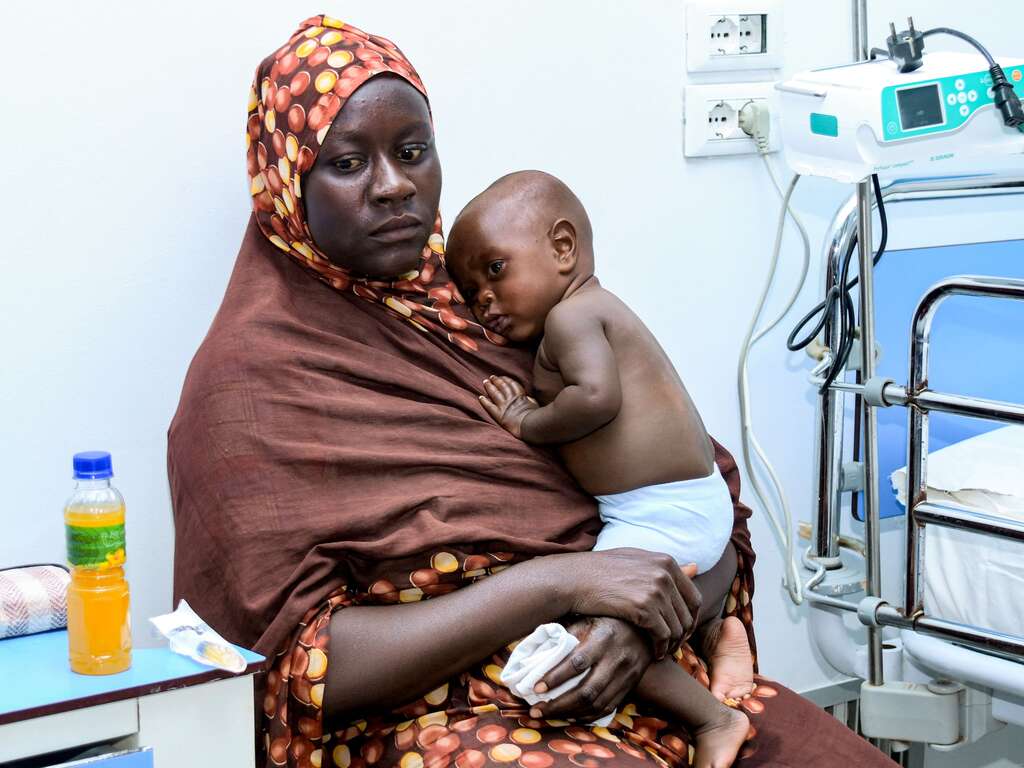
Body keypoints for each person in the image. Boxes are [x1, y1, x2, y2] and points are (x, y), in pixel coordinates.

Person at [168, 14, 897, 768]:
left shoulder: (501, 306)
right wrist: (559, 585)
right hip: (437, 721)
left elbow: (701, 503)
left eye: (412, 152)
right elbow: (290, 663)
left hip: (649, 684)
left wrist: (635, 628)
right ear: (288, 183)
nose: (394, 187)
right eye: (348, 164)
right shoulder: (250, 385)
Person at [444, 171, 752, 767]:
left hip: (658, 508)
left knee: (594, 639)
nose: (483, 298)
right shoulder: (594, 311)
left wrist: (526, 421)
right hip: (688, 498)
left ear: (562, 248)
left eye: (495, 270)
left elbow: (596, 399)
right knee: (647, 606)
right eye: (470, 290)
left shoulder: (572, 318)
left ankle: (715, 719)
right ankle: (715, 630)